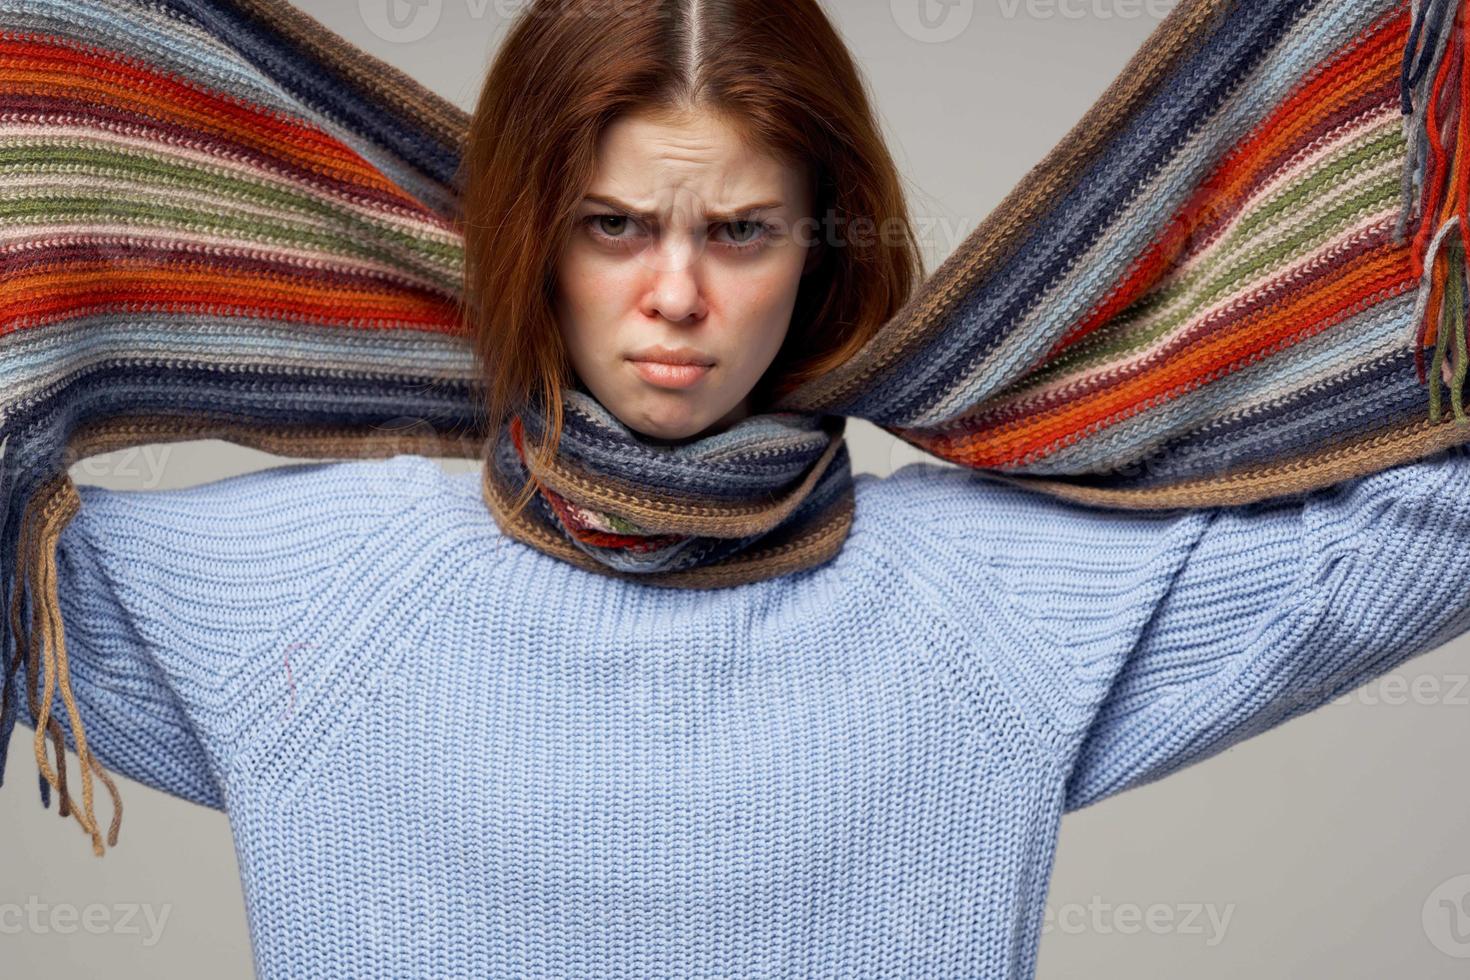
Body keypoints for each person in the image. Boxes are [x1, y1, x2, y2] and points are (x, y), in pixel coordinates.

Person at [9, 1, 1470, 977]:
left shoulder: (993, 599)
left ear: (820, 252)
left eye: (742, 230)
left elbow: (1421, 528)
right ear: (528, 238)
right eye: (614, 227)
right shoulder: (320, 586)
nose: (675, 295)